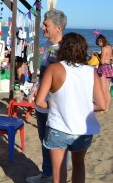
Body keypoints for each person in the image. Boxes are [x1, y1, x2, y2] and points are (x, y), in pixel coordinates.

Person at [35, 32, 106, 182]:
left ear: (62, 48)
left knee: (59, 172)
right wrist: (82, 106)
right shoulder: (90, 72)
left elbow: (39, 101)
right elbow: (102, 105)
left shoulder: (53, 69)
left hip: (58, 127)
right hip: (82, 129)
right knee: (79, 164)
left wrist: (53, 104)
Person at [26, 9, 67, 183]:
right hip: (42, 104)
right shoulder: (49, 47)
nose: (43, 27)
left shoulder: (65, 50)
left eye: (46, 24)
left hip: (54, 106)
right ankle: (47, 173)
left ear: (58, 27)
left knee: (54, 143)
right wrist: (35, 88)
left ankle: (52, 176)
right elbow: (44, 74)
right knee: (44, 140)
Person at [95, 34, 113, 112]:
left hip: (103, 69)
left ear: (100, 41)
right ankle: (107, 107)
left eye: (98, 43)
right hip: (109, 68)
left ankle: (102, 108)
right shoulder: (110, 47)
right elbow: (110, 58)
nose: (99, 45)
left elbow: (101, 61)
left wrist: (96, 55)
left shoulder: (103, 48)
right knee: (107, 90)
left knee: (102, 90)